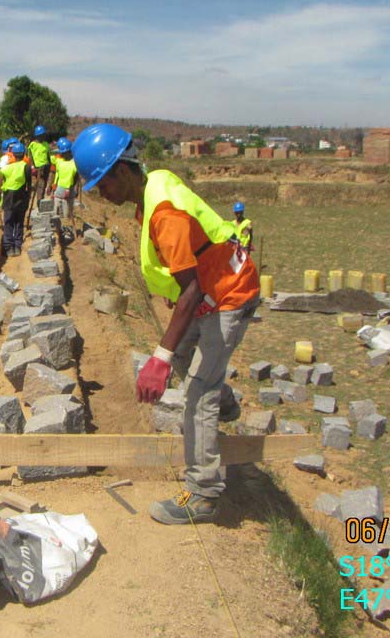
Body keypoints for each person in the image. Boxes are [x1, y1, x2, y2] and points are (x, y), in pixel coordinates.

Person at [73, 123, 260, 525]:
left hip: (227, 295)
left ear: (122, 171)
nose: (102, 194)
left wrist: (158, 356)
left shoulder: (164, 213)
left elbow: (190, 290)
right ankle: (226, 404)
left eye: (103, 184)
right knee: (187, 361)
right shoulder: (153, 186)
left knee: (197, 391)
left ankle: (204, 495)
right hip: (209, 294)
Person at [0, 141, 30, 257]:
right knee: (19, 222)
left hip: (8, 198)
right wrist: (28, 199)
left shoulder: (6, 168)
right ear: (23, 154)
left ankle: (8, 247)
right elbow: (28, 185)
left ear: (13, 154)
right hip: (21, 197)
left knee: (8, 222)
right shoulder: (26, 167)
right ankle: (17, 246)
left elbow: (1, 179)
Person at [51, 137, 80, 231]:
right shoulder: (70, 162)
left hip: (65, 190)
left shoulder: (63, 162)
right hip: (62, 190)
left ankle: (63, 230)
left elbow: (76, 178)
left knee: (64, 214)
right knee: (60, 213)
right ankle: (59, 230)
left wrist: (73, 189)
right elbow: (75, 178)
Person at [27, 125, 52, 201]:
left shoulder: (46, 144)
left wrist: (50, 164)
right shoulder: (32, 145)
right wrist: (32, 166)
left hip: (46, 166)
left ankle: (41, 197)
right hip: (38, 167)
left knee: (44, 183)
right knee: (40, 184)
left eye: (43, 135)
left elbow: (48, 156)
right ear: (37, 136)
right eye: (41, 135)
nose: (43, 137)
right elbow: (30, 156)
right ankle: (39, 199)